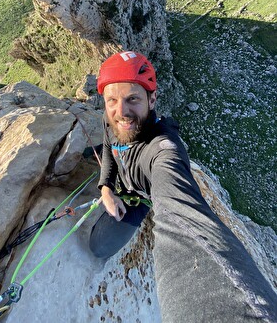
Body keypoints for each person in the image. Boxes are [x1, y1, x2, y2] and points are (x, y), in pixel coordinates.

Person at [89, 51, 277, 322]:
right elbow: (109, 146)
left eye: (133, 99)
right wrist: (105, 187)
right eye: (112, 101)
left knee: (98, 247)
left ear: (152, 99)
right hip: (120, 188)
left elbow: (182, 215)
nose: (121, 112)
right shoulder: (112, 121)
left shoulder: (164, 150)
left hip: (139, 200)